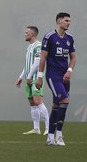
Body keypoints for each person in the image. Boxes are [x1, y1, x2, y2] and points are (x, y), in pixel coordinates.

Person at [36, 12, 76, 146]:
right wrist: (40, 77)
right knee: (65, 100)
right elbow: (43, 58)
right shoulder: (50, 37)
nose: (68, 23)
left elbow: (73, 57)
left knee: (56, 105)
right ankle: (59, 135)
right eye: (66, 21)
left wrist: (69, 70)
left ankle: (50, 137)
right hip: (53, 76)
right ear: (59, 21)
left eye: (69, 21)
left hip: (65, 76)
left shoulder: (70, 38)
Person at [15, 26, 50, 135]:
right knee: (32, 103)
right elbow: (27, 65)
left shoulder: (38, 45)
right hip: (28, 79)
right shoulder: (29, 47)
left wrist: (30, 76)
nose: (25, 34)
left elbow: (38, 61)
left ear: (33, 34)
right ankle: (36, 129)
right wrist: (21, 77)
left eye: (27, 32)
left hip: (35, 79)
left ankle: (48, 128)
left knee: (38, 101)